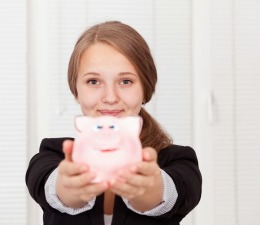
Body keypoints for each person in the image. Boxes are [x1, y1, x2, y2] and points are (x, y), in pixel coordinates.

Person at [26, 21, 202, 225]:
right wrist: (69, 187)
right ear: (76, 91)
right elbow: (50, 186)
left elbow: (175, 192)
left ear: (145, 88)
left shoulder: (178, 161)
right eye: (94, 81)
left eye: (125, 81)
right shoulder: (52, 155)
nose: (110, 97)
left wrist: (149, 189)